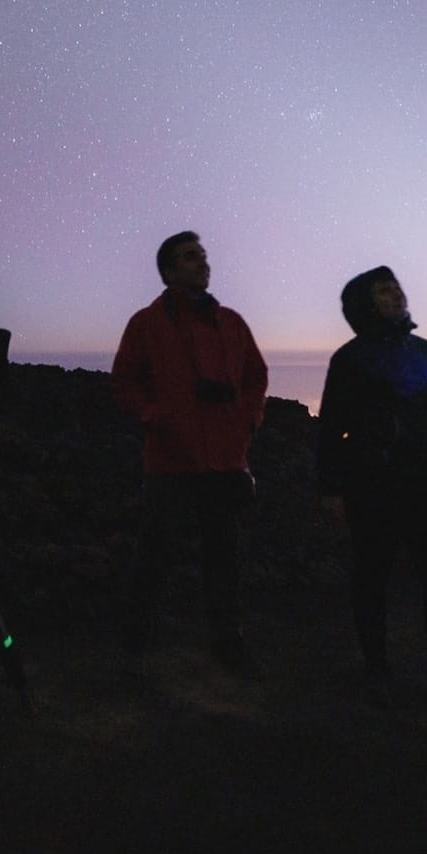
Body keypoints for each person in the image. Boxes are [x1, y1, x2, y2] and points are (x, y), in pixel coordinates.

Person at [314, 266, 427, 716]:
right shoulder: (351, 359)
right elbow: (332, 426)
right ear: (364, 304)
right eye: (382, 289)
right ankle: (377, 674)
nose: (396, 293)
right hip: (374, 486)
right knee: (372, 581)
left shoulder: (425, 352)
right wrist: (331, 489)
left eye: (396, 286)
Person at [110, 231, 270, 678]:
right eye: (189, 257)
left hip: (225, 459)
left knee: (224, 555)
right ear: (167, 271)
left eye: (202, 255)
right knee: (154, 552)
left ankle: (227, 639)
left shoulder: (232, 323)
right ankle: (135, 634)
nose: (201, 263)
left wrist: (249, 419)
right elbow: (124, 383)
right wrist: (156, 416)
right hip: (171, 461)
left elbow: (256, 375)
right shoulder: (146, 323)